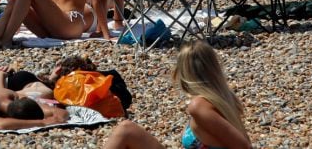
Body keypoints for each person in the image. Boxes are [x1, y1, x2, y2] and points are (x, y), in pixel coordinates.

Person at [102, 41, 251, 149]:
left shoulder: (199, 106)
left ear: (182, 72)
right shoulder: (224, 98)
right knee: (127, 129)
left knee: (125, 130)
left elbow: (244, 146)